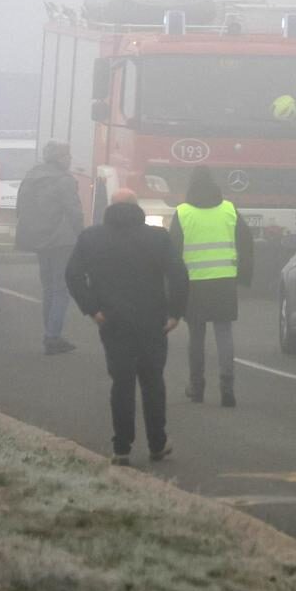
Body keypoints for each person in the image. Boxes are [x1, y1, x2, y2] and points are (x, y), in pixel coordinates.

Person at [67, 188, 189, 467]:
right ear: (137, 207)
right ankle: (157, 443)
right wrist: (175, 313)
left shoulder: (91, 238)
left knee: (121, 382)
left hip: (113, 321)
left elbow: (72, 275)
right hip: (152, 321)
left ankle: (122, 447)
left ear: (110, 207)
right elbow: (178, 274)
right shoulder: (157, 237)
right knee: (152, 382)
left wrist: (93, 308)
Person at [169, 166, 254, 407]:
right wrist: (243, 276)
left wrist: (171, 285)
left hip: (194, 282)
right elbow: (246, 243)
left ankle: (197, 387)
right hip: (224, 280)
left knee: (196, 335)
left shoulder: (182, 213)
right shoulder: (229, 209)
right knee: (224, 332)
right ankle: (227, 387)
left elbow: (172, 252)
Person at [15, 140, 85, 354]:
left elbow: (21, 207)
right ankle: (53, 336)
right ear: (59, 158)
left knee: (47, 287)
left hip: (38, 238)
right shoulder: (65, 180)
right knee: (61, 289)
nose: (70, 159)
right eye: (67, 155)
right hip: (62, 239)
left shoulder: (31, 176)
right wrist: (82, 235)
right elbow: (74, 211)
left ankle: (50, 332)